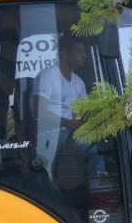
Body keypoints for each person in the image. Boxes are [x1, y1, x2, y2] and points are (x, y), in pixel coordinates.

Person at [34, 35, 90, 179]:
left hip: (69, 135)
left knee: (102, 145)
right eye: (80, 51)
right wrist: (66, 122)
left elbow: (83, 113)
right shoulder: (48, 75)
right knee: (92, 149)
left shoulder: (79, 83)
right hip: (48, 133)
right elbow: (39, 111)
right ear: (64, 53)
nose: (85, 56)